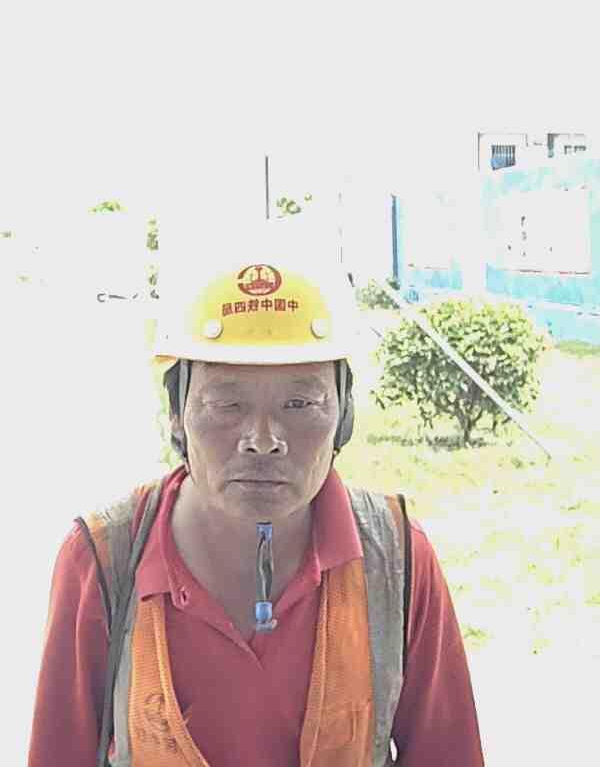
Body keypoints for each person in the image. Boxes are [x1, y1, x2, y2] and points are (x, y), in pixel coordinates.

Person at [28, 237, 484, 766]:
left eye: (300, 402)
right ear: (176, 415)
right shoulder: (102, 560)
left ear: (344, 416)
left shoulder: (399, 559)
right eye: (226, 403)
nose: (263, 440)